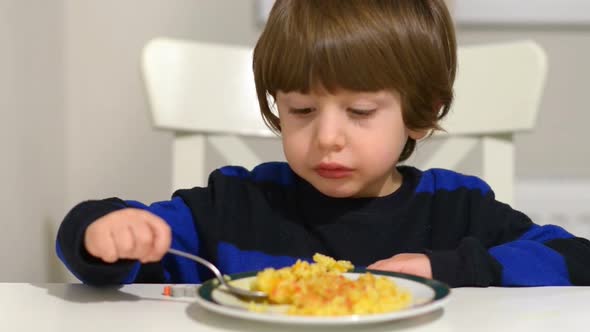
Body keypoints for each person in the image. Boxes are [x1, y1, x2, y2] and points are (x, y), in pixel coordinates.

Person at [56, 0, 590, 288]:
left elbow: (575, 259)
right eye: (302, 111)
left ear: (421, 114)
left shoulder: (457, 210)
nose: (327, 137)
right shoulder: (234, 206)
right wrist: (103, 232)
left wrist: (452, 269)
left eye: (359, 112)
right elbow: (108, 252)